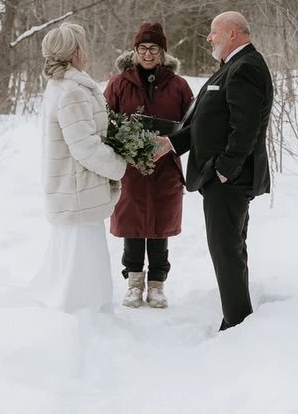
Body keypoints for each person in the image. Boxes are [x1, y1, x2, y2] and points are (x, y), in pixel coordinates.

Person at [155, 11, 273, 331]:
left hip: (229, 179)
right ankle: (237, 314)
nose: (208, 38)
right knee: (229, 248)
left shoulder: (246, 67)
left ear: (233, 33)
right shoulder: (232, 66)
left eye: (213, 32)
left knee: (226, 250)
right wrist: (172, 143)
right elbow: (211, 122)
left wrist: (224, 169)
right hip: (224, 177)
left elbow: (245, 127)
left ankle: (236, 324)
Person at [34, 22, 129, 313]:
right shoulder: (72, 91)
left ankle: (81, 311)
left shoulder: (63, 85)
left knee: (75, 256)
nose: (86, 49)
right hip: (78, 189)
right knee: (82, 259)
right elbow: (85, 147)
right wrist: (119, 165)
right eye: (82, 44)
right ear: (74, 52)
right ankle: (83, 316)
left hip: (74, 189)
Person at [104, 22, 194, 309]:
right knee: (132, 225)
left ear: (163, 52)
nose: (147, 54)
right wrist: (123, 144)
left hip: (165, 166)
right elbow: (105, 122)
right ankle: (133, 283)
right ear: (134, 50)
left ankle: (156, 285)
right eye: (142, 48)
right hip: (130, 167)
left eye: (153, 48)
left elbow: (193, 125)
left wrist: (170, 141)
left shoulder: (178, 85)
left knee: (159, 226)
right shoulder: (119, 83)